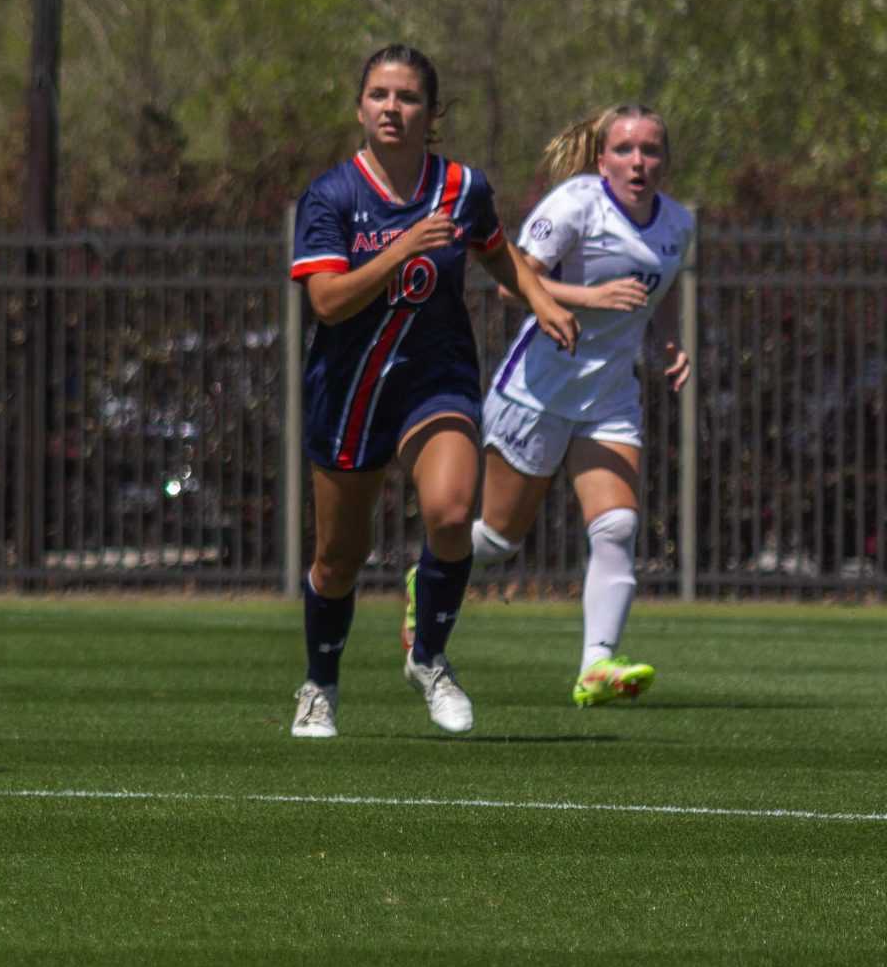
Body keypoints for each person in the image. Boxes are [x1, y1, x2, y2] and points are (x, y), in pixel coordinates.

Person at [285, 44, 576, 740]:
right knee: (338, 558)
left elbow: (495, 247)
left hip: (435, 380)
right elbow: (326, 301)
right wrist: (401, 249)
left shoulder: (461, 187)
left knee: (450, 514)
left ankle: (430, 655)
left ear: (431, 113)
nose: (393, 107)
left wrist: (537, 297)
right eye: (380, 94)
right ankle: (319, 684)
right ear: (360, 107)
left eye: (408, 96)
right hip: (350, 393)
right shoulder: (332, 197)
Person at [470, 105, 693, 706]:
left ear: (665, 162)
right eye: (624, 149)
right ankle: (431, 573)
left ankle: (597, 665)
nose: (638, 161)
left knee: (617, 525)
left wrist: (670, 339)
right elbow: (510, 277)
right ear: (602, 160)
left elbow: (660, 292)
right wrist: (589, 295)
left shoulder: (677, 222)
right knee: (496, 538)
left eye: (650, 150)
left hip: (610, 397)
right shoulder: (575, 204)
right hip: (538, 389)